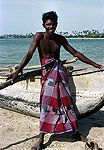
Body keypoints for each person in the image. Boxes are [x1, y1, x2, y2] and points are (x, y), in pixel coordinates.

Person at [7, 11, 102, 150]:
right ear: (43, 25)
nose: (51, 27)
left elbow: (75, 53)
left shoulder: (60, 38)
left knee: (67, 103)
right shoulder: (39, 36)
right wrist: (17, 71)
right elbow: (29, 54)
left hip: (60, 73)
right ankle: (41, 139)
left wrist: (94, 64)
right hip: (48, 75)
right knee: (45, 105)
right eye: (48, 24)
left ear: (57, 24)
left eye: (53, 24)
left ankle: (75, 132)